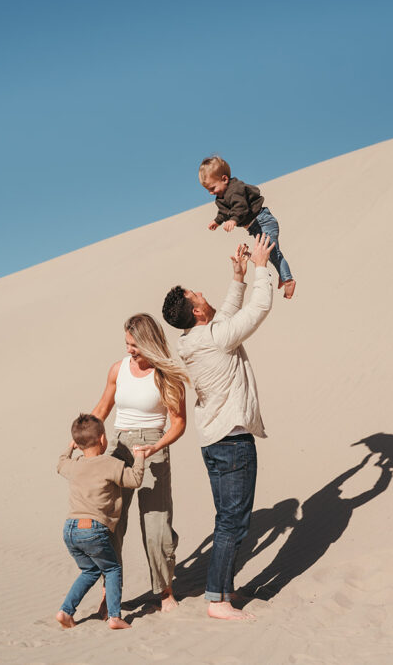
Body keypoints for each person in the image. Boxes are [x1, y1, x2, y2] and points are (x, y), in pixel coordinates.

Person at [160, 234, 275, 620]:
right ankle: (217, 600)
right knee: (233, 521)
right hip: (231, 441)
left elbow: (223, 318)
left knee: (228, 519)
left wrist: (238, 276)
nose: (201, 294)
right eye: (196, 295)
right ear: (194, 311)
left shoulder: (196, 339)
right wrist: (261, 266)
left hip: (215, 441)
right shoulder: (213, 339)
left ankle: (222, 589)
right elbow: (258, 310)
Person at [91, 313, 188, 612]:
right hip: (120, 448)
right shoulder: (118, 369)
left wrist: (157, 445)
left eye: (134, 344)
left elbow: (178, 423)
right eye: (127, 344)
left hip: (154, 448)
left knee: (157, 524)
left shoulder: (166, 375)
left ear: (149, 342)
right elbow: (103, 408)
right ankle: (111, 594)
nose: (130, 350)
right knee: (113, 523)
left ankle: (164, 591)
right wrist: (84, 436)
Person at [56, 413, 145, 630]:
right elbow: (134, 480)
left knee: (90, 571)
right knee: (113, 569)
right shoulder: (110, 464)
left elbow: (60, 465)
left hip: (70, 530)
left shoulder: (74, 465)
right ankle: (114, 616)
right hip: (93, 529)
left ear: (77, 443)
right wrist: (140, 456)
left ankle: (66, 611)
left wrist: (70, 448)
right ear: (103, 439)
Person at [199, 155, 296, 299]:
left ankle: (288, 279)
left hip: (264, 221)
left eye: (213, 188)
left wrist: (233, 220)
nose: (211, 193)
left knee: (272, 252)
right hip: (255, 227)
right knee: (268, 254)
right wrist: (217, 221)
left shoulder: (236, 189)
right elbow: (224, 212)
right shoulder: (221, 198)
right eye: (208, 190)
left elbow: (241, 206)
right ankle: (283, 275)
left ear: (224, 179)